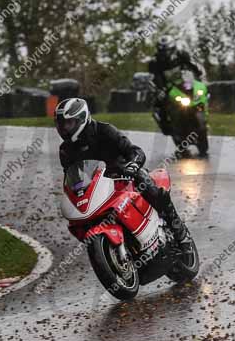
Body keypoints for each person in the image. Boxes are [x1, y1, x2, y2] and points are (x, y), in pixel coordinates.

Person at [55, 97, 193, 252]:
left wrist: (132, 166)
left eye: (68, 123)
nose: (64, 129)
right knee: (77, 219)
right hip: (98, 187)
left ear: (81, 119)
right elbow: (71, 176)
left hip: (124, 176)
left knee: (148, 185)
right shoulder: (65, 150)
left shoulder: (104, 130)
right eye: (61, 124)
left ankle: (180, 232)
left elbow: (135, 151)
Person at [148, 36, 204, 135]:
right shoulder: (154, 62)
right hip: (166, 87)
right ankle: (165, 125)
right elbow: (153, 77)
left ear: (173, 48)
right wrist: (157, 89)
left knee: (199, 91)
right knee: (160, 102)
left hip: (184, 81)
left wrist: (200, 75)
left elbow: (193, 65)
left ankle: (203, 113)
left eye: (168, 50)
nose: (165, 53)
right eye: (163, 51)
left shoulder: (181, 54)